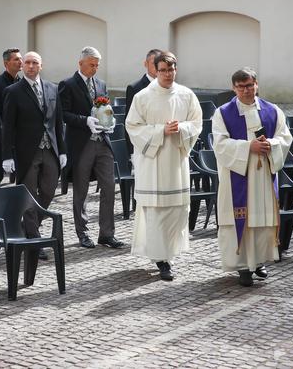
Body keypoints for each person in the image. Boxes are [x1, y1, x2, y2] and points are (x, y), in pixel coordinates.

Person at [212, 67, 292, 287]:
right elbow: (219, 144)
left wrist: (271, 145)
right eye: (240, 87)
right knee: (241, 220)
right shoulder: (223, 113)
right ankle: (243, 267)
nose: (246, 90)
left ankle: (257, 262)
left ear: (256, 84)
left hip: (263, 176)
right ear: (233, 88)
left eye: (249, 85)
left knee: (260, 219)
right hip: (237, 176)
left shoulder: (272, 110)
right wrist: (249, 147)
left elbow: (285, 138)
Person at [125, 51, 202, 281]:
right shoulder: (143, 97)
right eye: (163, 70)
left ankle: (170, 252)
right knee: (157, 212)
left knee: (177, 211)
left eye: (171, 69)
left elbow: (197, 123)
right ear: (155, 71)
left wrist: (182, 129)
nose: (168, 74)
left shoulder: (186, 95)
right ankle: (162, 260)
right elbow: (132, 127)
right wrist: (160, 131)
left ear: (176, 70)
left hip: (177, 161)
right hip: (153, 163)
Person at [2, 51, 66, 259]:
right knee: (28, 195)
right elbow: (7, 126)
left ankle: (27, 225)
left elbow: (58, 122)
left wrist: (63, 150)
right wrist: (7, 155)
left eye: (34, 63)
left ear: (41, 65)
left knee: (48, 191)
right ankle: (34, 240)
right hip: (26, 151)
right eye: (27, 63)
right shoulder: (13, 91)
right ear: (23, 66)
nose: (30, 66)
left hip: (49, 149)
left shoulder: (52, 88)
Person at [59, 46, 125, 249]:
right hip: (81, 144)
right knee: (81, 190)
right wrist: (84, 120)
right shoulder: (67, 85)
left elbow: (104, 108)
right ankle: (83, 233)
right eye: (91, 65)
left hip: (102, 142)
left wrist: (110, 121)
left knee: (109, 187)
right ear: (81, 63)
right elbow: (63, 114)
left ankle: (106, 234)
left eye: (97, 65)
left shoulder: (101, 84)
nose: (95, 69)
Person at [0, 48, 22, 186]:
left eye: (21, 58)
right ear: (6, 63)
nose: (21, 62)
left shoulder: (22, 82)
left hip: (19, 136)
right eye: (16, 59)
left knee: (23, 172)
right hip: (1, 136)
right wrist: (5, 137)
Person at [125, 49, 162, 154]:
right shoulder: (135, 88)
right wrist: (131, 152)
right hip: (142, 143)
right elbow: (129, 122)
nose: (156, 66)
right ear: (145, 64)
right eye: (153, 63)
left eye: (159, 63)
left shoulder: (167, 87)